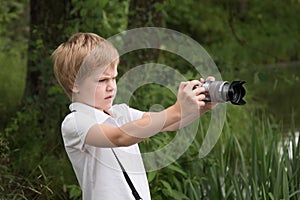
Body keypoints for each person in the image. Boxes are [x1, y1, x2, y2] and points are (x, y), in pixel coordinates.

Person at [52, 32, 215, 200]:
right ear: (75, 84)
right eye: (102, 80)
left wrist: (200, 107)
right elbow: (120, 136)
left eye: (114, 78)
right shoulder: (75, 122)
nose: (111, 87)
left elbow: (168, 123)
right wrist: (176, 109)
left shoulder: (121, 113)